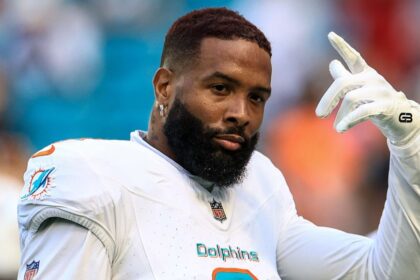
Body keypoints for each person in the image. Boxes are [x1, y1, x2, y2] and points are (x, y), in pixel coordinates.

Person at [17, 8, 419, 279]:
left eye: (257, 98)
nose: (240, 113)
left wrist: (410, 145)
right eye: (220, 88)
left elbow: (385, 272)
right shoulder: (92, 174)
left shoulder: (261, 188)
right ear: (165, 87)